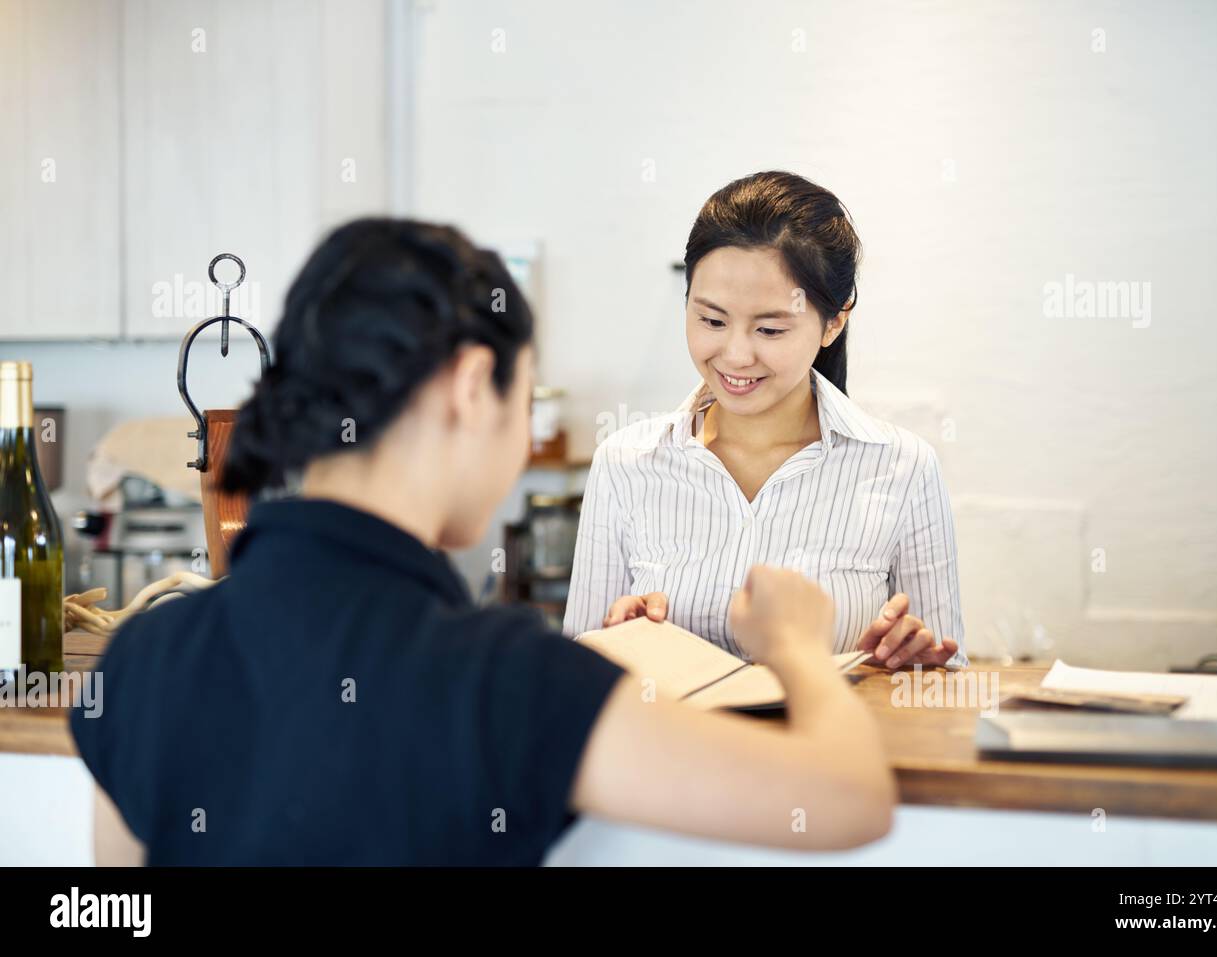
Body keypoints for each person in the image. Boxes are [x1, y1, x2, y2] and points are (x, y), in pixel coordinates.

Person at [70, 217, 894, 866]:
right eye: (523, 395)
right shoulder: (499, 678)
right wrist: (795, 646)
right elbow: (848, 800)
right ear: (472, 385)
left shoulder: (146, 655)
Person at [564, 171, 966, 671]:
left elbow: (944, 678)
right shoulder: (626, 463)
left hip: (831, 749)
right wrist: (614, 645)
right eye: (711, 321)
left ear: (834, 321)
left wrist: (912, 663)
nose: (735, 355)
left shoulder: (902, 468)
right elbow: (571, 682)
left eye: (770, 328)